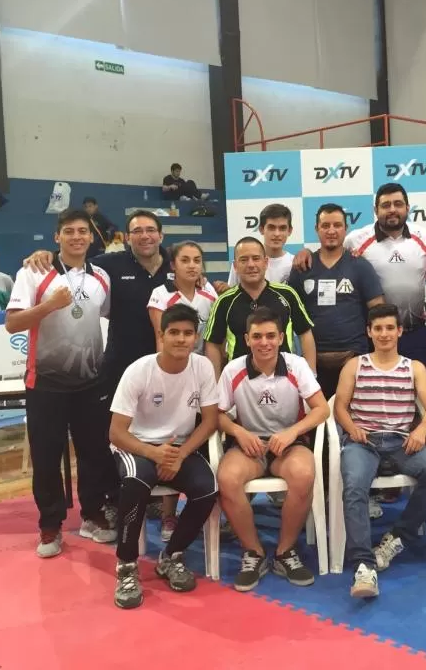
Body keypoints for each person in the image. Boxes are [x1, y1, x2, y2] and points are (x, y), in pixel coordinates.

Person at [23, 210, 177, 524]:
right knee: (108, 440)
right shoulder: (109, 266)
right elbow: (72, 262)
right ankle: (112, 498)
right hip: (119, 367)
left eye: (151, 230)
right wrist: (45, 256)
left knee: (167, 431)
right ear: (127, 237)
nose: (145, 236)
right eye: (137, 231)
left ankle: (164, 501)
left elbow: (196, 280)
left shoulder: (177, 266)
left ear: (161, 235)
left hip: (168, 368)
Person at [6, 208, 118, 558]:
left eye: (82, 231)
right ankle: (50, 524)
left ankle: (92, 515)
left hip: (90, 381)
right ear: (57, 237)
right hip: (46, 382)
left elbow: (106, 316)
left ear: (91, 236)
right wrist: (48, 306)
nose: (76, 237)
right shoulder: (33, 272)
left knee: (94, 452)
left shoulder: (101, 276)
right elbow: (12, 324)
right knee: (46, 455)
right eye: (69, 231)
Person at [295, 184, 426, 373]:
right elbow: (331, 249)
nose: (392, 209)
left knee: (421, 394)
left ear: (408, 208)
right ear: (376, 211)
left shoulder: (423, 236)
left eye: (398, 204)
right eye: (385, 205)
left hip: (414, 333)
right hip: (376, 336)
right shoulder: (356, 239)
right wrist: (305, 252)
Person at [109, 303, 220, 609]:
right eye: (174, 333)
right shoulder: (139, 371)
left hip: (178, 447)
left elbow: (210, 420)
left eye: (188, 333)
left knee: (207, 488)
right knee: (134, 482)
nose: (181, 339)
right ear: (161, 334)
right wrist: (156, 454)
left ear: (195, 337)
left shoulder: (202, 367)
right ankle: (127, 566)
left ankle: (171, 555)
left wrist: (179, 455)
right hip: (138, 445)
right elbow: (116, 433)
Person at [333, 304, 426, 599]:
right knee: (355, 486)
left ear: (399, 331)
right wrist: (351, 428)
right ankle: (364, 565)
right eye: (378, 329)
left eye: (389, 328)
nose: (384, 334)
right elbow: (340, 407)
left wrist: (421, 431)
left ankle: (396, 538)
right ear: (369, 332)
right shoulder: (354, 365)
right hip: (363, 441)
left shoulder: (414, 367)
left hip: (401, 441)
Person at [216, 306, 329, 592]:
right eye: (257, 336)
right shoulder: (233, 369)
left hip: (289, 444)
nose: (264, 342)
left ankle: (284, 552)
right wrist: (238, 431)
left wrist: (292, 432)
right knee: (227, 478)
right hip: (249, 444)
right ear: (247, 338)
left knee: (303, 474)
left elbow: (322, 409)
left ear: (281, 337)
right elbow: (215, 415)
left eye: (270, 336)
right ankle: (253, 552)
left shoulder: (297, 366)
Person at [146, 240, 217, 540]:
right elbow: (162, 340)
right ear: (172, 265)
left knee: (200, 445)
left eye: (197, 260)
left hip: (202, 377)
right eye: (185, 260)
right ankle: (168, 516)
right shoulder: (160, 295)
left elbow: (213, 341)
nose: (192, 265)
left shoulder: (209, 293)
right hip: (172, 376)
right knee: (172, 439)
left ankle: (205, 511)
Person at [287, 203, 384, 399]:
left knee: (353, 419)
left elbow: (379, 311)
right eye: (325, 226)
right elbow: (288, 313)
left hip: (354, 358)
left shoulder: (360, 266)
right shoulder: (302, 267)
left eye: (337, 225)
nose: (331, 231)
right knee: (317, 422)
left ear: (345, 229)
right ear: (316, 229)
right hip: (312, 363)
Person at [204, 237, 315, 379]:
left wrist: (311, 376)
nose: (251, 265)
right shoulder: (224, 301)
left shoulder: (287, 294)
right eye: (244, 260)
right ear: (235, 266)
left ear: (266, 262)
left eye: (256, 258)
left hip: (285, 379)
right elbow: (213, 343)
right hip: (240, 382)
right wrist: (217, 383)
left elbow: (305, 333)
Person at [224, 203, 295, 291]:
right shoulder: (243, 261)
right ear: (261, 229)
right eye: (271, 228)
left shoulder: (295, 263)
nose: (277, 234)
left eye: (282, 228)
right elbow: (233, 295)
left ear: (290, 231)